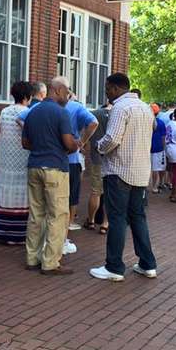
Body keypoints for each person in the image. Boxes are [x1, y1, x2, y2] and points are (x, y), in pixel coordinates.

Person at [90, 73, 157, 282]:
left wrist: (98, 146)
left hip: (119, 171)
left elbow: (112, 139)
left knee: (117, 218)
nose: (106, 94)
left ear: (115, 88)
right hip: (140, 172)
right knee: (138, 217)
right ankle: (147, 264)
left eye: (107, 89)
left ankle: (114, 267)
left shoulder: (120, 108)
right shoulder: (146, 108)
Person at [22, 77, 78, 275]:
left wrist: (41, 146)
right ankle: (50, 262)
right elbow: (69, 143)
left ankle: (32, 258)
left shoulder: (32, 112)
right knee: (58, 215)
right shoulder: (61, 113)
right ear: (58, 90)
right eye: (67, 91)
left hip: (34, 166)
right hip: (55, 168)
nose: (68, 95)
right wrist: (77, 144)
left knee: (36, 215)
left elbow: (25, 143)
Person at [0, 81, 33, 245]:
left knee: (4, 191)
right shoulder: (28, 113)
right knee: (22, 194)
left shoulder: (4, 112)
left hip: (5, 158)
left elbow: (1, 131)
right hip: (23, 158)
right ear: (27, 96)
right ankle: (17, 235)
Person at [61, 97, 98, 252]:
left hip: (49, 160)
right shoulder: (76, 107)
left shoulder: (42, 106)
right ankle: (65, 233)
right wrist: (81, 141)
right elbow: (93, 123)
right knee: (71, 196)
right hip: (71, 159)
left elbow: (22, 119)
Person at [85, 102, 110, 234]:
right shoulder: (118, 114)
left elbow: (87, 131)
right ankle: (105, 224)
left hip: (97, 159)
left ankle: (91, 221)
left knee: (95, 192)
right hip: (112, 160)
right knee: (110, 193)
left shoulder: (94, 114)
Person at [149, 104, 166, 194]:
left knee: (150, 168)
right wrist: (163, 147)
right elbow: (163, 137)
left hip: (147, 147)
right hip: (158, 148)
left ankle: (148, 186)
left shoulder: (146, 122)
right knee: (157, 168)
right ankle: (156, 186)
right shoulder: (161, 123)